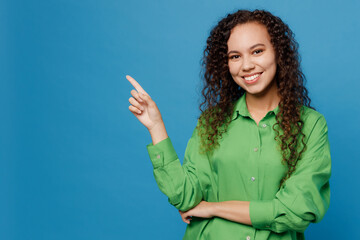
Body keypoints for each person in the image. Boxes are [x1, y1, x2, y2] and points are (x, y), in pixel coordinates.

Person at [127, 9, 331, 240]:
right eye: (235, 56)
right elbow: (185, 197)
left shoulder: (311, 125)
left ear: (279, 53)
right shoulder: (212, 123)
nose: (246, 65)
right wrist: (156, 126)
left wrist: (214, 208)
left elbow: (296, 211)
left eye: (257, 51)